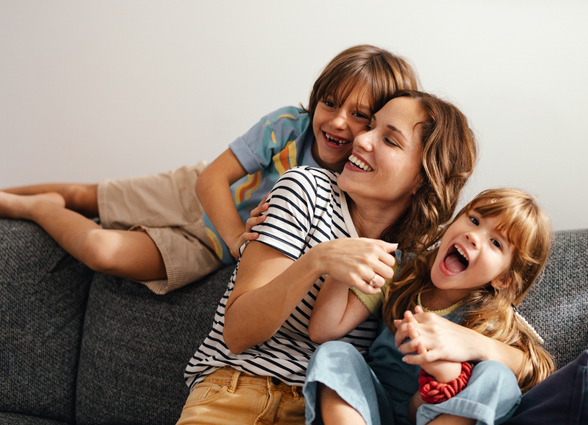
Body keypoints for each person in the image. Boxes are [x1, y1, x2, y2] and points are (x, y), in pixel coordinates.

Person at [0, 45, 418, 294]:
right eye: (329, 103)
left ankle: (37, 208)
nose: (338, 121)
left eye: (360, 115)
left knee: (100, 251)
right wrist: (239, 238)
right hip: (196, 193)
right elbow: (212, 179)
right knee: (82, 195)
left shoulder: (361, 184)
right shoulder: (291, 125)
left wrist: (234, 246)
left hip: (209, 245)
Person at [178, 90, 485, 424]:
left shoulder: (414, 263)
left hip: (326, 410)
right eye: (371, 126)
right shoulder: (305, 190)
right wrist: (318, 261)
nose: (362, 140)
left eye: (389, 140)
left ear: (423, 178)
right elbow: (237, 333)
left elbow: (519, 356)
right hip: (236, 389)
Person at [303, 188, 556, 425]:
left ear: (503, 279)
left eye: (496, 243)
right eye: (474, 220)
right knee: (335, 353)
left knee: (498, 377)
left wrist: (448, 368)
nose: (474, 236)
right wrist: (339, 269)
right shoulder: (399, 271)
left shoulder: (489, 319)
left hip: (433, 413)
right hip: (371, 404)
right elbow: (323, 331)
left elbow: (538, 369)